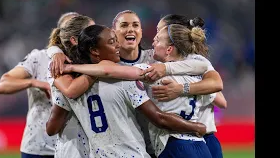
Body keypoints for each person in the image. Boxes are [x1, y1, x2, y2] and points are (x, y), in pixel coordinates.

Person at [47, 10, 224, 157]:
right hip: (153, 147)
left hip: (164, 144)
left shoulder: (150, 62)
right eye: (123, 25)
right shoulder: (134, 74)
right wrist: (56, 53)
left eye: (136, 25)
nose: (153, 39)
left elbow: (218, 91)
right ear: (114, 31)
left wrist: (180, 87)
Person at [0, 12, 80, 158]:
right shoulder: (39, 58)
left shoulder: (88, 62)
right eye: (68, 28)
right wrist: (34, 82)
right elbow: (3, 85)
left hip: (73, 148)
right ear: (59, 33)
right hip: (38, 147)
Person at [152, 14, 227, 158]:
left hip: (200, 135)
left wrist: (181, 89)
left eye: (159, 30)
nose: (156, 36)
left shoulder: (195, 60)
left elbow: (220, 97)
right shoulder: (162, 60)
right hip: (188, 136)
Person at [46, 14, 96, 158]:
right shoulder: (59, 67)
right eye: (90, 31)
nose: (96, 34)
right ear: (74, 40)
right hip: (74, 150)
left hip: (101, 148)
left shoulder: (97, 60)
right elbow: (52, 127)